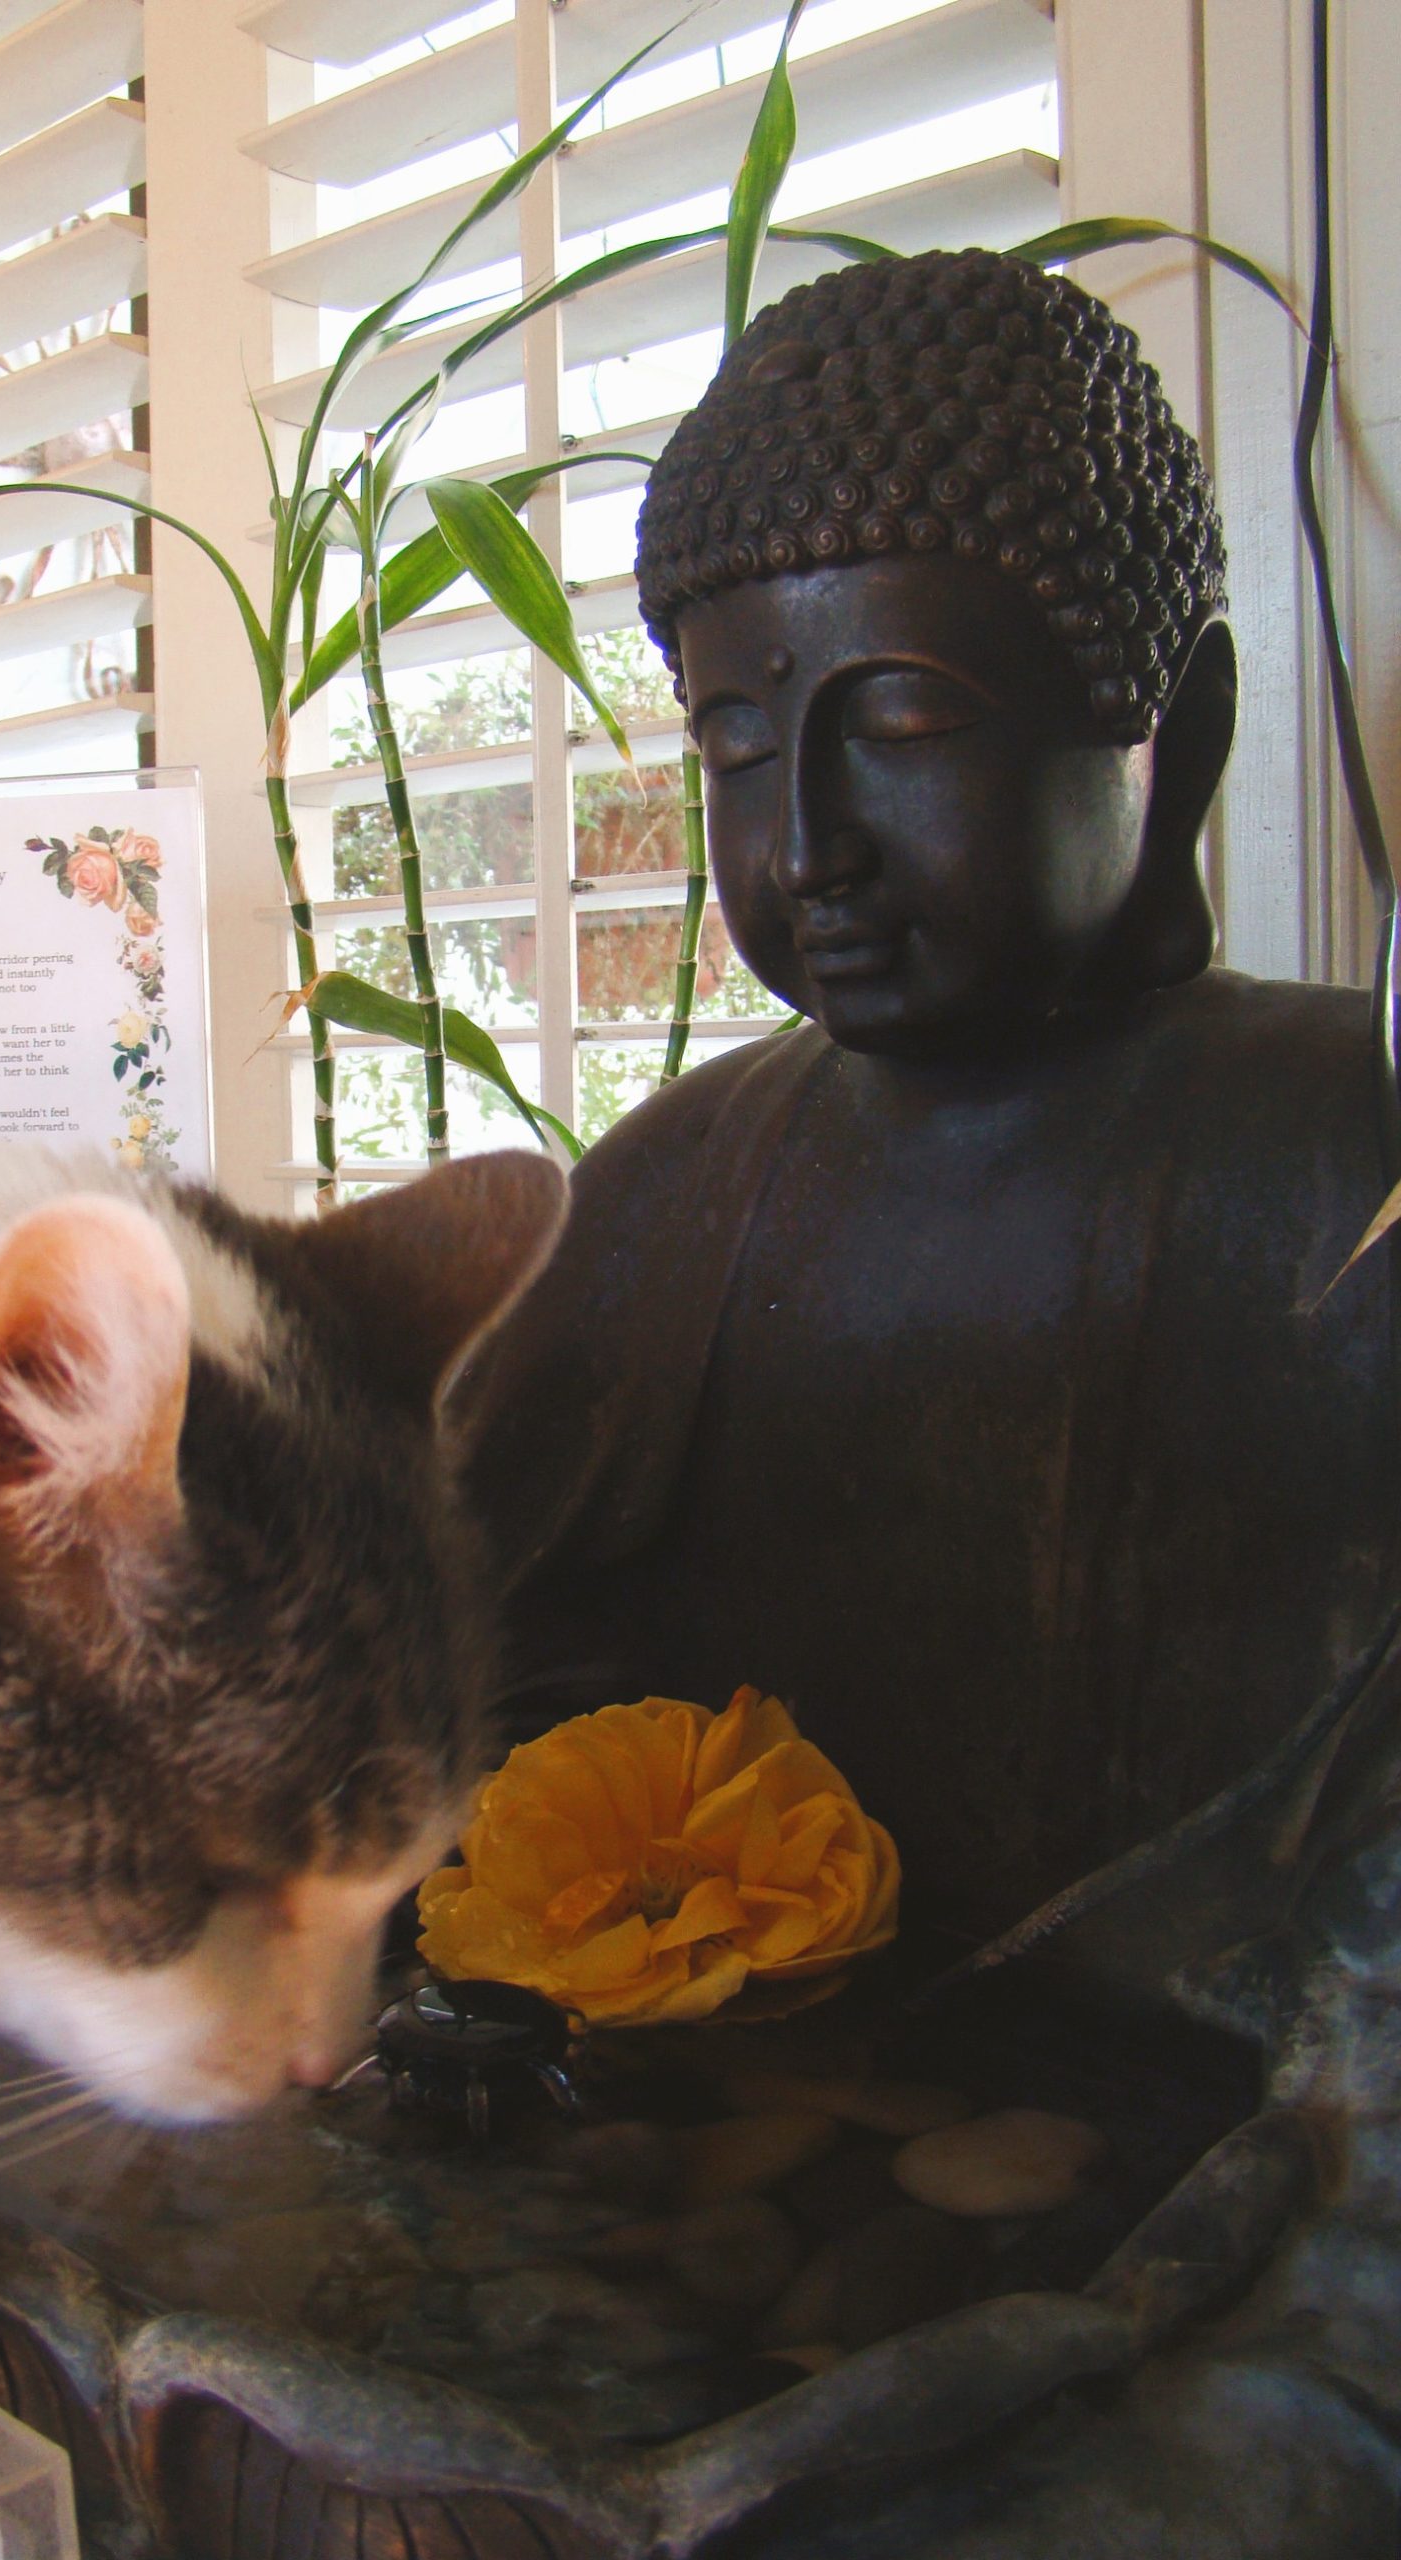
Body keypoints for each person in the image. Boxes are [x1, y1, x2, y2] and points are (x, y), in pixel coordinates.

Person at [456, 248, 1400, 1949]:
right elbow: (467, 1690)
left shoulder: (1351, 1157)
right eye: (740, 740)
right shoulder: (665, 1203)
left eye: (898, 717)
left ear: (1172, 741)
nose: (807, 845)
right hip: (714, 2117)